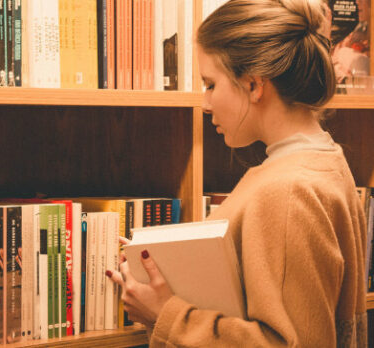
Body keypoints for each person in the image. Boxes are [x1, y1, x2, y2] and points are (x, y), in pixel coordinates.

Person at [106, 0, 367, 346]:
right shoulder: (322, 159)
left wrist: (166, 313)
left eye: (211, 84)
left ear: (254, 85)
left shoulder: (289, 190)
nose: (204, 102)